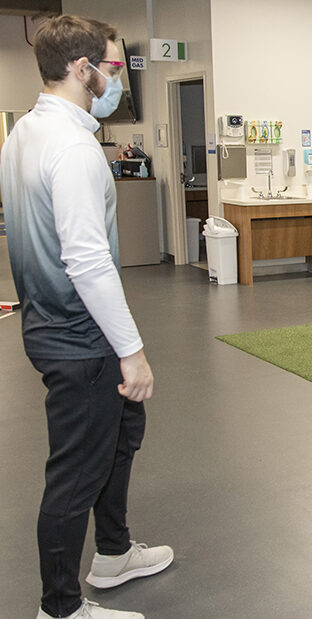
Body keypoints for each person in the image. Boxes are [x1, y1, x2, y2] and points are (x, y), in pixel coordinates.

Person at [1, 16, 173, 619]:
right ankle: (61, 608)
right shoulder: (72, 148)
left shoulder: (25, 133)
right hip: (81, 338)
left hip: (49, 326)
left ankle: (114, 553)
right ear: (82, 70)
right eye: (113, 65)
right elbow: (88, 261)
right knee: (75, 472)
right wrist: (132, 350)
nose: (116, 78)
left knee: (123, 437)